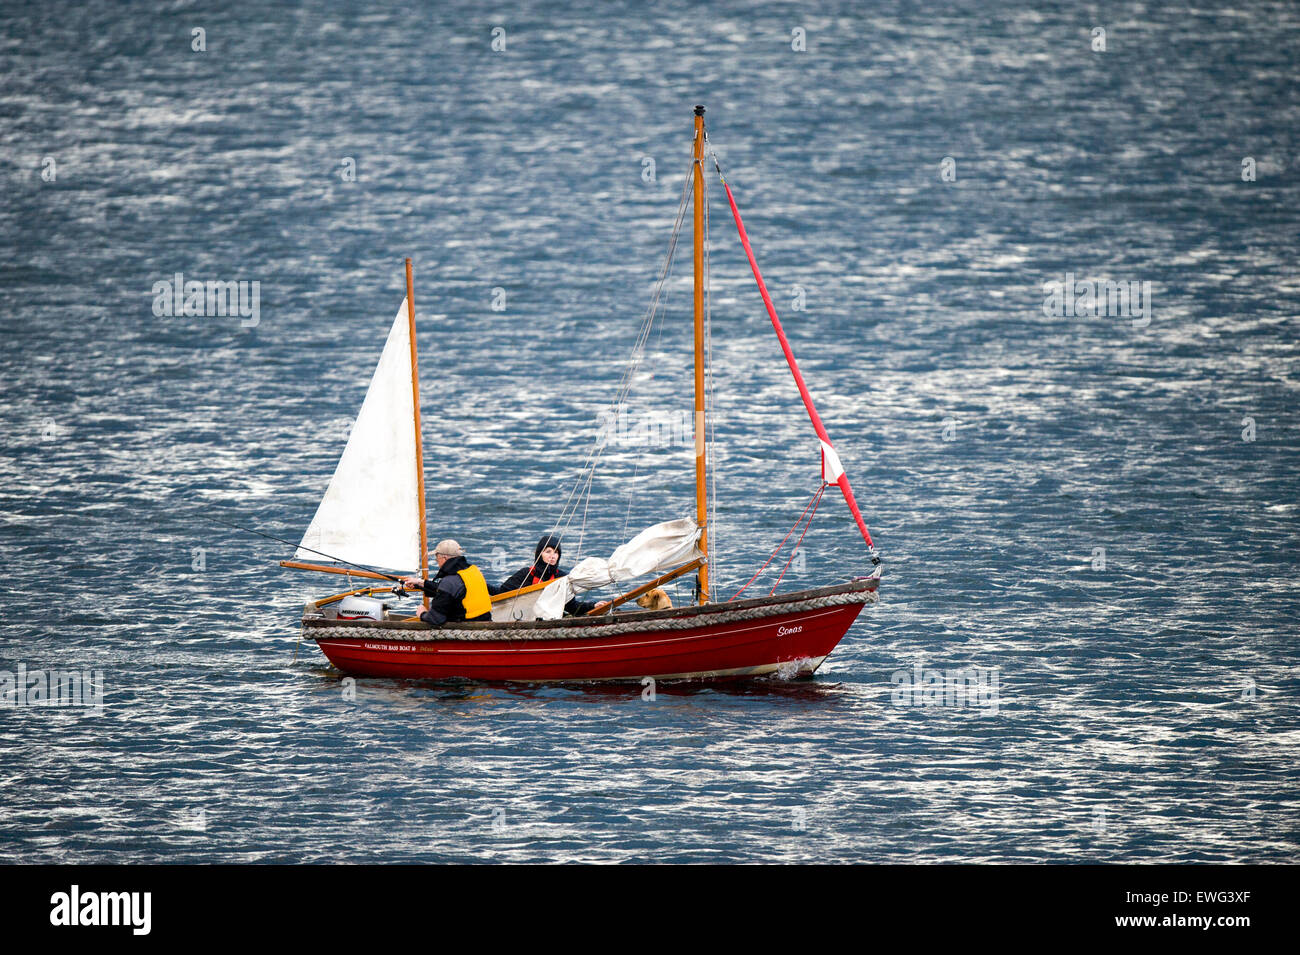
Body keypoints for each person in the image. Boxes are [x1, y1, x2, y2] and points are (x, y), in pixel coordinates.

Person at [496, 534, 610, 616]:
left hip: (550, 622)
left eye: (556, 552)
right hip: (523, 620)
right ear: (540, 554)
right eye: (548, 551)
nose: (553, 556)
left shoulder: (562, 578)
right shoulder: (526, 574)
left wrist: (593, 606)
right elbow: (501, 594)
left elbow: (572, 607)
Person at [400, 539, 492, 625]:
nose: (437, 563)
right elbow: (452, 590)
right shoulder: (474, 571)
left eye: (437, 559)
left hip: (465, 629)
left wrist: (422, 613)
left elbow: (435, 618)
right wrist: (420, 583)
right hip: (485, 623)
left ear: (444, 558)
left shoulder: (449, 581)